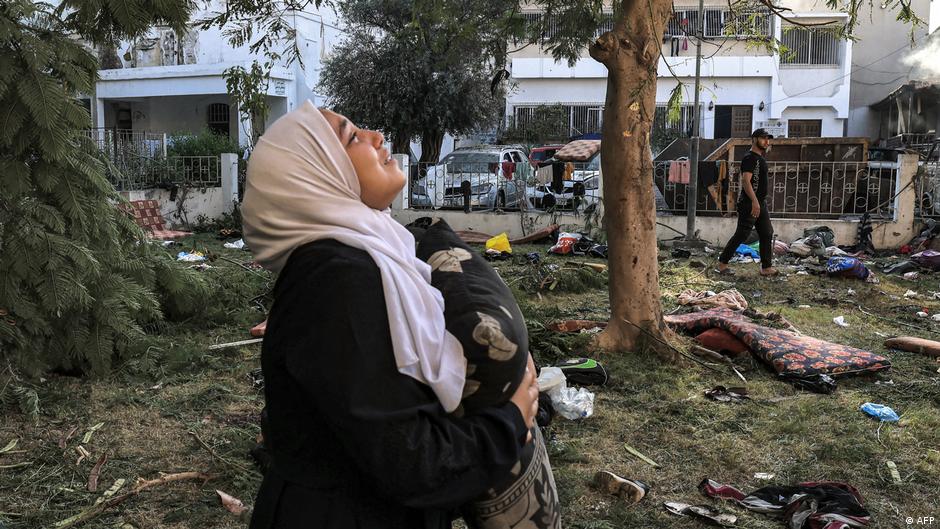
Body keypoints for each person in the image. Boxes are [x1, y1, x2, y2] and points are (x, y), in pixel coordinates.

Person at [241, 100, 540, 529]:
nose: (376, 137)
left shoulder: (371, 257)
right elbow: (408, 461)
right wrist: (509, 422)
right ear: (318, 175)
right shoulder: (335, 281)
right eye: (351, 137)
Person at [716, 128, 778, 277]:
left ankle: (766, 267)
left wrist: (759, 202)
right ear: (754, 139)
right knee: (742, 234)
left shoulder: (760, 158)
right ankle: (722, 264)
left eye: (767, 139)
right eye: (763, 138)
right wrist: (755, 202)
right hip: (750, 203)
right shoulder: (750, 158)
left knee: (767, 232)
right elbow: (745, 180)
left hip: (759, 203)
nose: (766, 141)